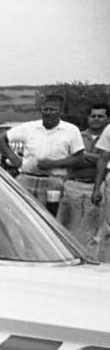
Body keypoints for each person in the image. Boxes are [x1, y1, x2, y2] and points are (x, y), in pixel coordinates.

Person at [0, 94, 85, 216]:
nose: (48, 112)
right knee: (19, 215)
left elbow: (79, 157)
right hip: (26, 179)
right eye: (45, 109)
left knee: (48, 219)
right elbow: (1, 139)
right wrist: (14, 159)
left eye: (53, 109)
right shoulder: (30, 127)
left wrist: (53, 164)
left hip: (52, 182)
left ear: (61, 111)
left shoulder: (71, 130)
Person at [58, 102, 108, 258]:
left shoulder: (108, 136)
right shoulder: (77, 136)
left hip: (98, 187)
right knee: (68, 226)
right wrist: (98, 159)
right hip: (74, 185)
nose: (96, 119)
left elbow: (104, 161)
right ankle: (66, 257)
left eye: (101, 116)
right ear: (88, 118)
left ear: (107, 118)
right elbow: (69, 159)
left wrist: (84, 156)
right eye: (93, 116)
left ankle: (90, 259)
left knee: (93, 229)